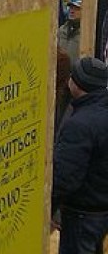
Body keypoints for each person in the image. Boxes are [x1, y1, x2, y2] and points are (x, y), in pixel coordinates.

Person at [52, 56, 108, 254]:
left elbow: (66, 177)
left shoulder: (80, 125)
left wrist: (50, 210)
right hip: (101, 209)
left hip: (82, 214)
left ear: (77, 83)